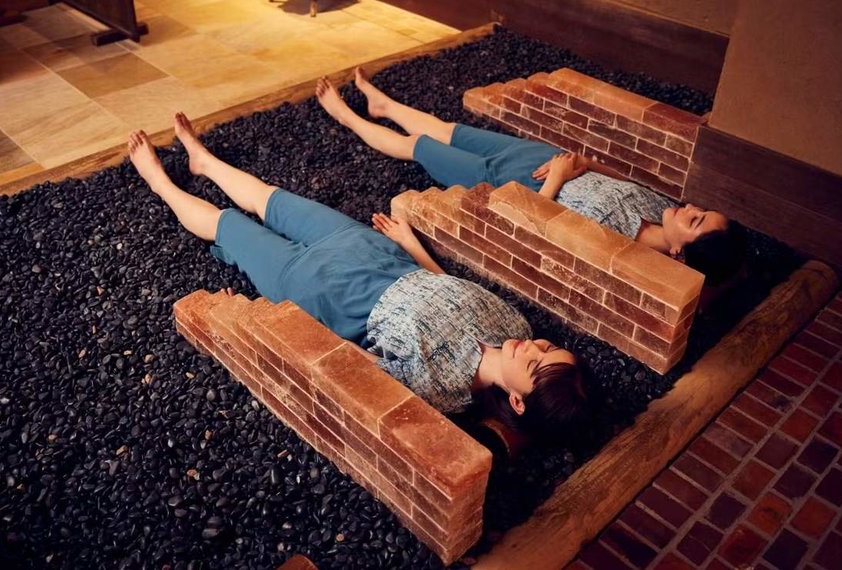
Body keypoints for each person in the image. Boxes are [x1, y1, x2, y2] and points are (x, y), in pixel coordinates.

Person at [126, 114, 588, 447]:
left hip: (322, 290)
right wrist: (410, 244)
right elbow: (447, 285)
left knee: (227, 225)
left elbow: (338, 366)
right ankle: (205, 163)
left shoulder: (440, 392)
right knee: (273, 199)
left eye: (535, 364)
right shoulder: (517, 328)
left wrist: (244, 320)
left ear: (517, 401)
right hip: (372, 251)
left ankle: (159, 182)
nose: (534, 348)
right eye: (548, 347)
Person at [315, 69, 747, 286]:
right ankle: (383, 105)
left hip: (512, 182)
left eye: (694, 221)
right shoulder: (659, 210)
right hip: (538, 157)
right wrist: (582, 162)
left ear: (677, 254)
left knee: (418, 148)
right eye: (701, 210)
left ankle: (345, 115)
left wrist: (558, 177)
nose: (690, 208)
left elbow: (541, 230)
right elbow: (615, 176)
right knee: (449, 129)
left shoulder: (622, 246)